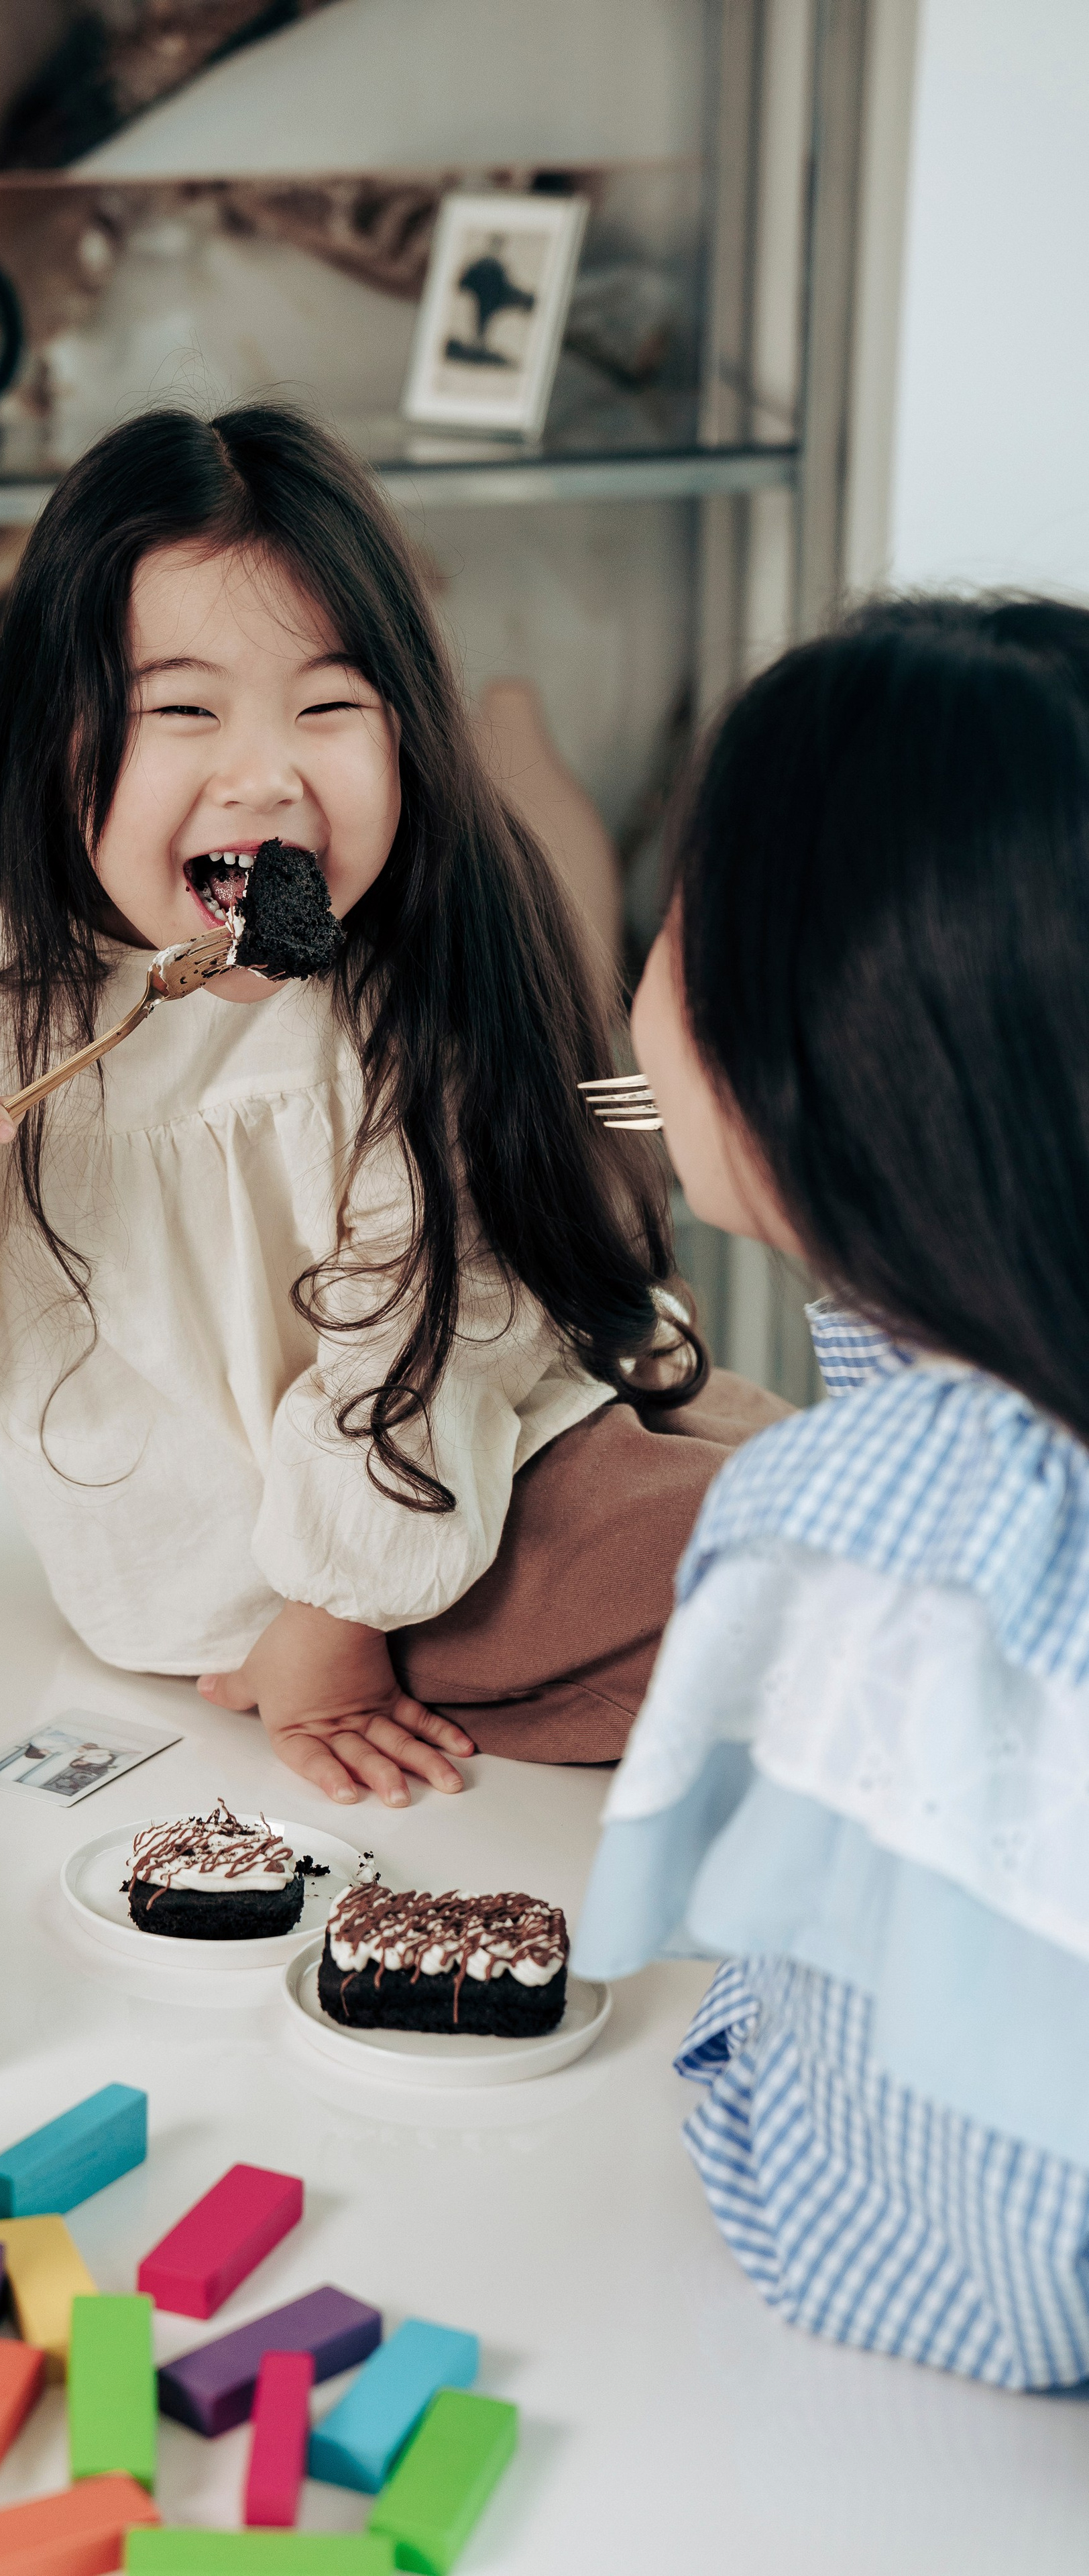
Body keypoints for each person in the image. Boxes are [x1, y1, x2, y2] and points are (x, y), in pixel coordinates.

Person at [0, 402, 776, 1805]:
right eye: (184, 710)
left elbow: (439, 1318)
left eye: (329, 708)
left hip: (458, 1455)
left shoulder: (414, 976)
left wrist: (340, 1605)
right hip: (359, 1579)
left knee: (858, 1480)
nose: (268, 773)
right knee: (825, 1576)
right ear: (58, 735)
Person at [575, 596, 1089, 2388]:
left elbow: (993, 2267)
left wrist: (750, 2110)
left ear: (804, 1038)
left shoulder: (877, 1535)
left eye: (679, 916)